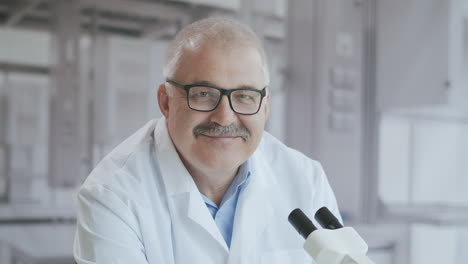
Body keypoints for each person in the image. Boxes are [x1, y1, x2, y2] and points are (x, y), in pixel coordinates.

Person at [73, 17, 341, 264]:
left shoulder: (306, 180)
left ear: (265, 107)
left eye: (245, 96)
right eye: (203, 94)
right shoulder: (112, 196)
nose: (225, 118)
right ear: (165, 102)